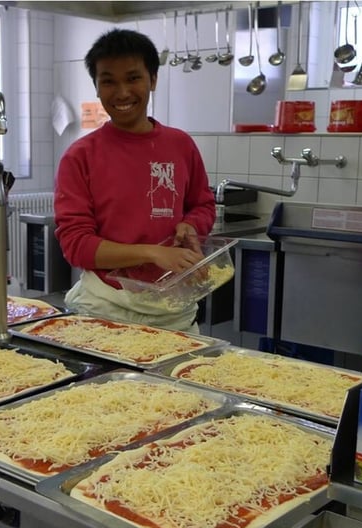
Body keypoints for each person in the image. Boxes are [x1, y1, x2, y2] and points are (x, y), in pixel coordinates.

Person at [54, 28, 216, 332]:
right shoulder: (80, 157)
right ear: (97, 87)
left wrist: (191, 226)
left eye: (133, 78)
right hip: (104, 309)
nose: (122, 92)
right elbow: (76, 245)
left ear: (152, 80)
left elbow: (203, 205)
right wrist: (151, 252)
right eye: (108, 81)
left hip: (174, 309)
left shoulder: (180, 145)